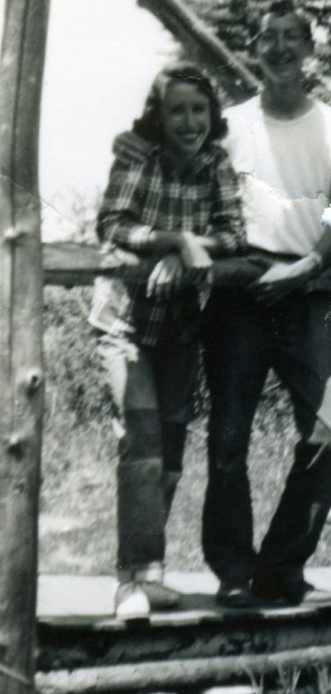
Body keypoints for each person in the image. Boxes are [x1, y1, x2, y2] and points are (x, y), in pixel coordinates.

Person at [115, 0, 331, 608]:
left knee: (330, 434)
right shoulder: (228, 123)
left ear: (309, 48)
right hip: (237, 294)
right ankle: (232, 572)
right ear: (254, 49)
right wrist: (177, 250)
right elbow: (192, 200)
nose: (279, 47)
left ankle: (280, 568)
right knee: (228, 442)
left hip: (305, 291)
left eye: (291, 36)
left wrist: (309, 265)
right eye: (267, 37)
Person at [90, 63, 246, 620]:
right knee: (142, 439)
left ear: (212, 115)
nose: (189, 122)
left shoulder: (215, 163)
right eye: (176, 110)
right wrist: (175, 240)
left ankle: (151, 574)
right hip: (125, 321)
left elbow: (233, 233)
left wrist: (189, 252)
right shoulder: (138, 154)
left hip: (178, 326)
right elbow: (112, 224)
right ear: (158, 116)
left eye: (198, 110)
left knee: (172, 447)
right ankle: (127, 582)